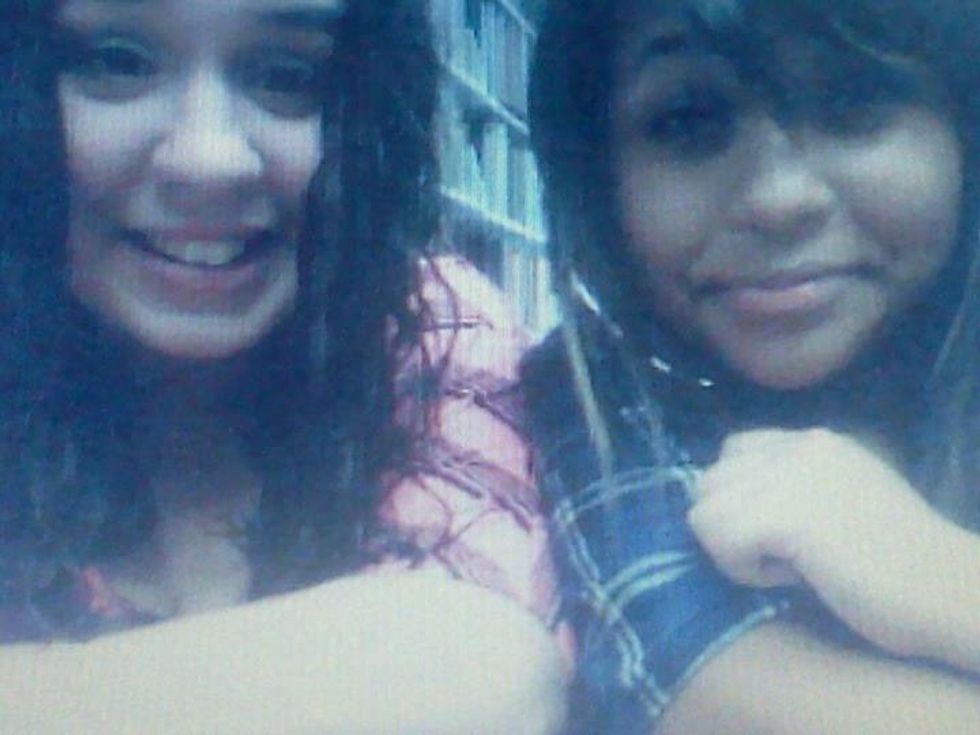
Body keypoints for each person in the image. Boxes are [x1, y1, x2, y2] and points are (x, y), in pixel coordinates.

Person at [0, 1, 568, 732]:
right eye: (119, 62)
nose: (211, 158)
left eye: (284, 76)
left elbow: (484, 671)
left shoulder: (433, 323)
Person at [522, 0, 980, 732]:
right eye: (689, 122)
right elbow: (715, 693)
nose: (779, 200)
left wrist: (942, 575)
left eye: (855, 102)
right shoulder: (594, 398)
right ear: (599, 179)